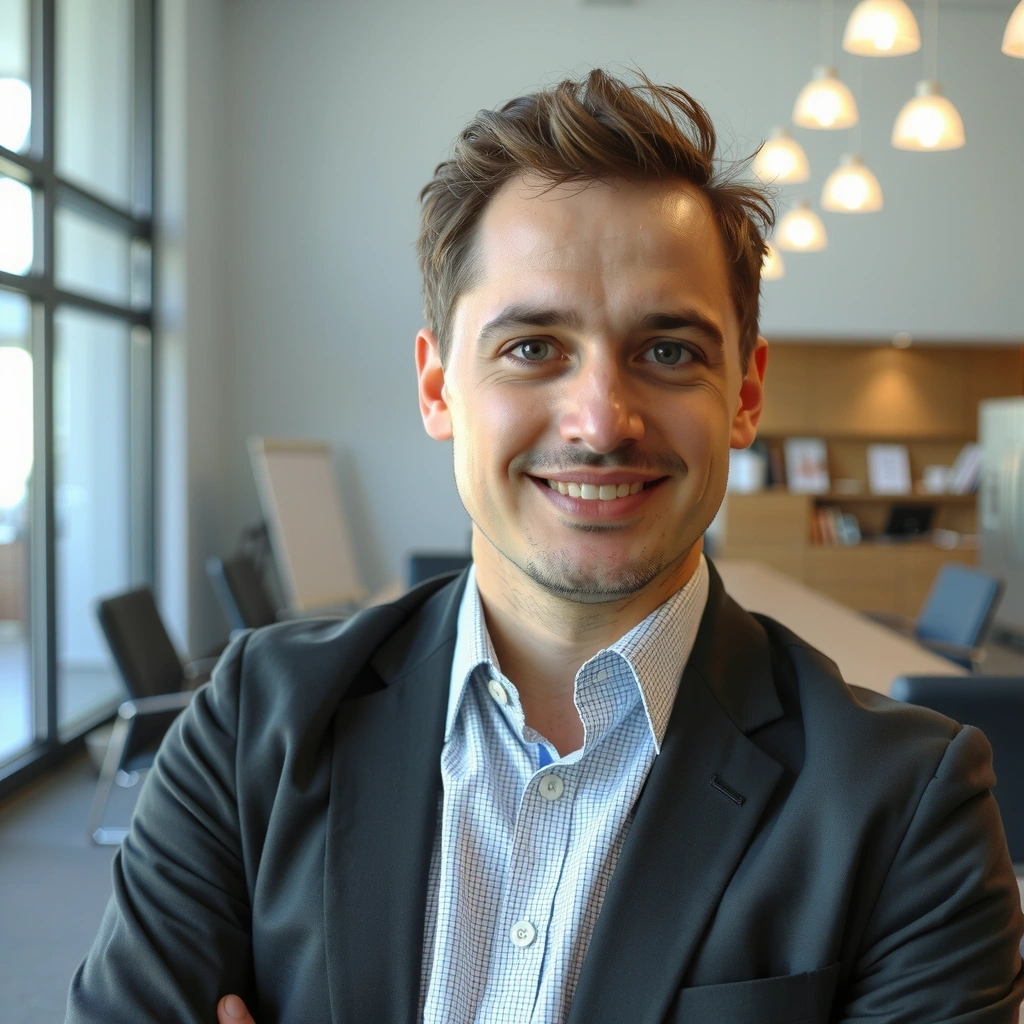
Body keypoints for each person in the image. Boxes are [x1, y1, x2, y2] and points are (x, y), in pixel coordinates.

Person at [68, 69, 1024, 1024]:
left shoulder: (906, 808)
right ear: (440, 387)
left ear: (745, 392)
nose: (602, 421)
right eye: (532, 347)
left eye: (669, 351)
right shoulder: (253, 728)